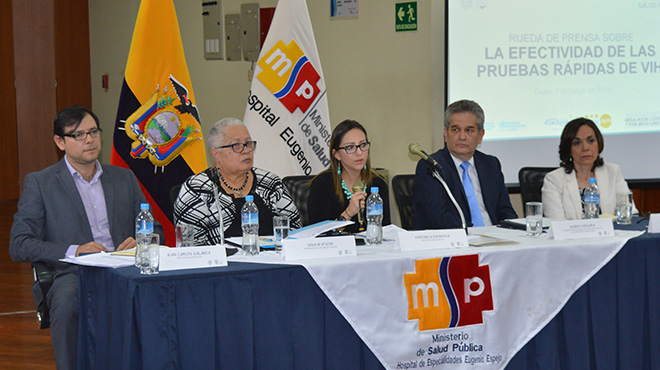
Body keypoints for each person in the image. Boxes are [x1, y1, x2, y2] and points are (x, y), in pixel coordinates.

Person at [9, 106, 150, 370]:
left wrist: (141, 241)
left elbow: (155, 230)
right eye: (79, 134)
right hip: (75, 273)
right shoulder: (41, 183)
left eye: (94, 132)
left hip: (127, 266)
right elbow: (19, 244)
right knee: (66, 303)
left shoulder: (124, 177)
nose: (89, 140)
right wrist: (75, 250)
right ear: (60, 142)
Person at [174, 118, 301, 244]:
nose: (246, 150)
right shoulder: (197, 189)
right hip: (221, 263)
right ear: (216, 153)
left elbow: (295, 231)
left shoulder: (270, 183)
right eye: (236, 145)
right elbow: (189, 245)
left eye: (248, 144)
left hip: (274, 261)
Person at [412, 99, 517, 229]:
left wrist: (513, 232)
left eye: (469, 130)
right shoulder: (431, 166)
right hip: (457, 241)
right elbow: (437, 218)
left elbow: (505, 210)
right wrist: (474, 235)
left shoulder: (490, 164)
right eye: (455, 130)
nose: (462, 137)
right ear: (446, 134)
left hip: (495, 239)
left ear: (480, 135)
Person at [542, 117, 637, 220]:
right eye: (577, 143)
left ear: (599, 144)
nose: (585, 148)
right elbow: (556, 222)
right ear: (568, 149)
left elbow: (630, 212)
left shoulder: (613, 172)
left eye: (591, 141)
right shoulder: (554, 180)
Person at [307, 119, 391, 233]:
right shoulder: (322, 184)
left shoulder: (378, 183)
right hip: (335, 249)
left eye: (363, 145)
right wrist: (348, 213)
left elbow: (386, 230)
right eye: (350, 147)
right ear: (336, 154)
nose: (359, 152)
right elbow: (316, 235)